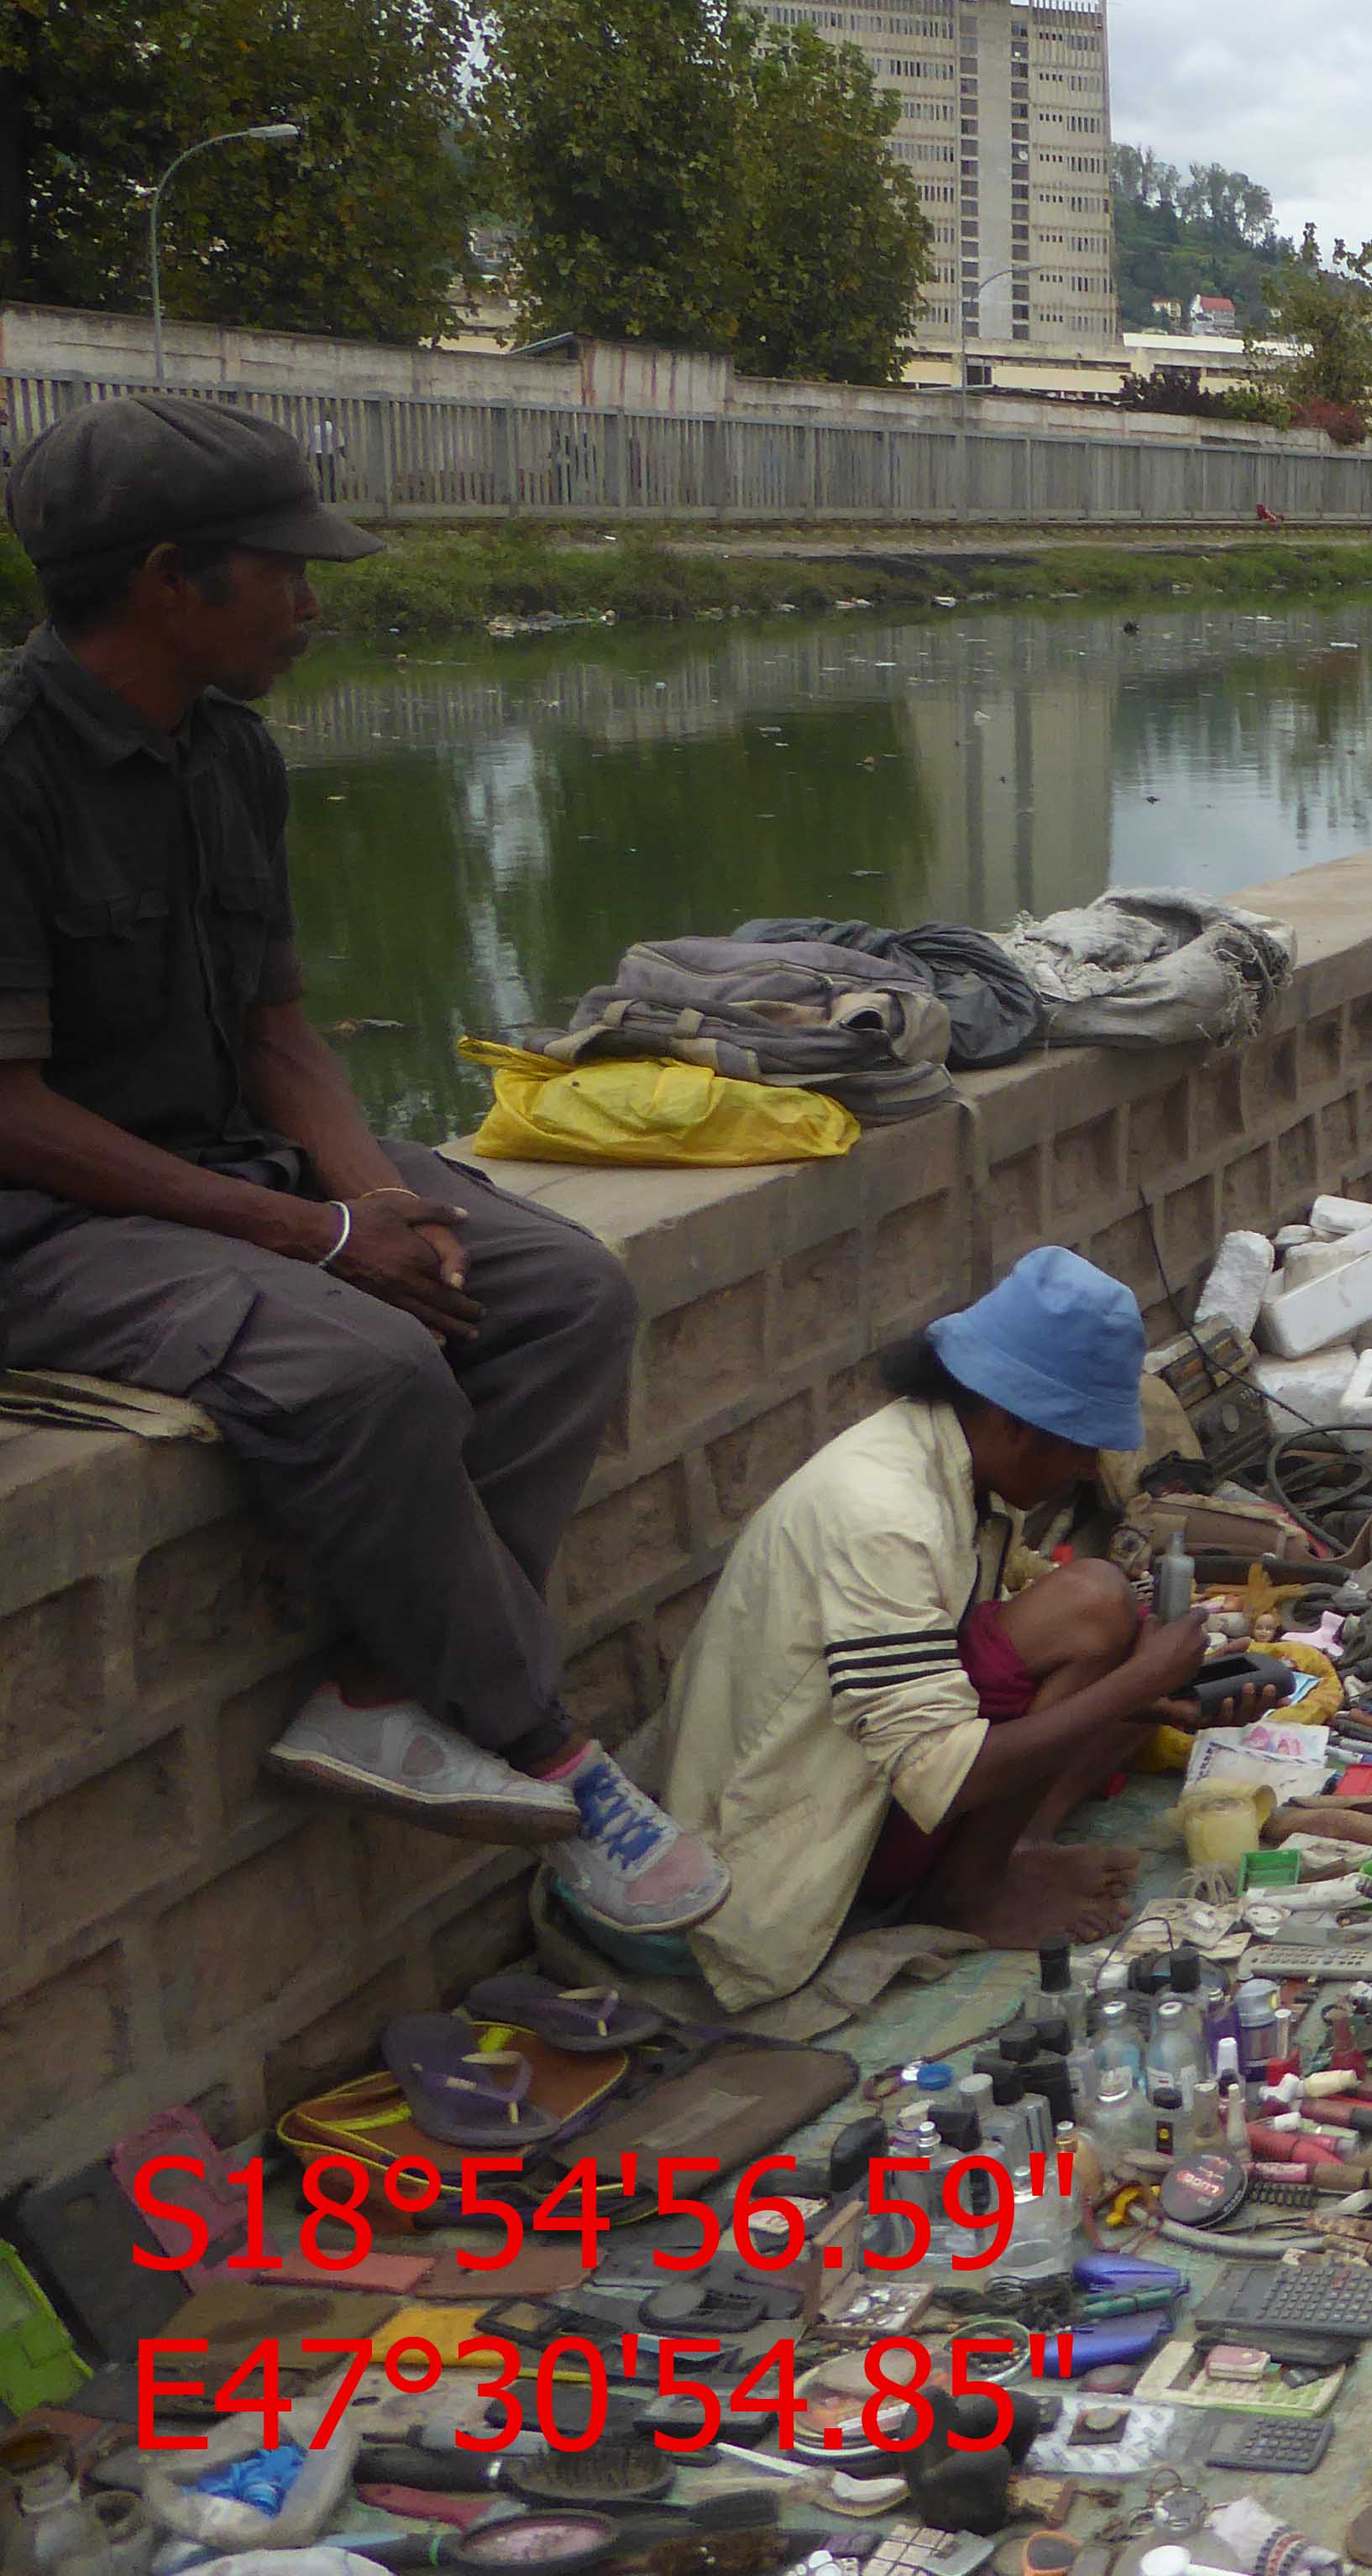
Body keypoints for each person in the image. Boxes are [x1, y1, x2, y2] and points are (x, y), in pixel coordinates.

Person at [0, 397, 722, 1932]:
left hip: (224, 1156)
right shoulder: (11, 775)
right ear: (171, 576)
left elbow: (278, 1031)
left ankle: (389, 1680)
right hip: (49, 1214)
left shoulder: (230, 757)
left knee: (556, 1288)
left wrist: (375, 1201)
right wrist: (319, 1241)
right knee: (375, 1365)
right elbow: (12, 1110)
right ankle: (547, 1742)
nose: (317, 606)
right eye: (287, 572)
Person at [659, 1249, 1225, 2008]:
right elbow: (937, 1769)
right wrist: (1137, 1680)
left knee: (1107, 1624)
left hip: (857, 1770)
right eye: (1082, 1448)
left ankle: (1009, 1856)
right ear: (1018, 1422)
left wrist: (1147, 1699)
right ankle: (969, 1890)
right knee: (1096, 1604)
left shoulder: (940, 1458)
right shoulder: (883, 1512)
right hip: (778, 1847)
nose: (1090, 1472)